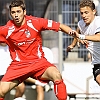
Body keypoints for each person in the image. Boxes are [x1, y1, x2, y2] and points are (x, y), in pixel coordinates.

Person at [0, 0, 74, 100]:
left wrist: (73, 34)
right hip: (19, 66)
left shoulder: (35, 22)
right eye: (13, 12)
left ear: (24, 12)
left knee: (56, 75)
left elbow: (59, 26)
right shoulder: (7, 29)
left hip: (38, 63)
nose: (16, 15)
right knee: (1, 91)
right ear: (10, 14)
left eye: (18, 11)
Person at [67, 0, 100, 87]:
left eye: (86, 12)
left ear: (94, 11)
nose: (84, 16)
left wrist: (81, 37)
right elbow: (77, 33)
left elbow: (99, 37)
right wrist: (72, 45)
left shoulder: (98, 22)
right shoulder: (81, 23)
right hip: (97, 63)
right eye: (82, 13)